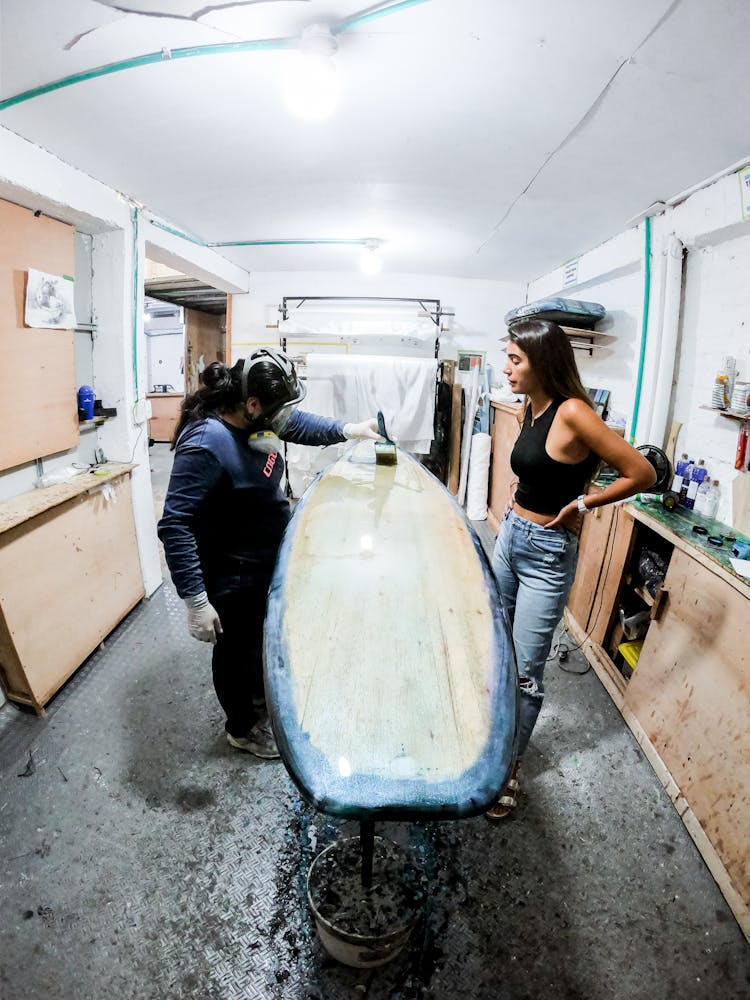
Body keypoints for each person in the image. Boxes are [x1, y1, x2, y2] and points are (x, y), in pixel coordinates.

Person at [157, 349, 381, 760]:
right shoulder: (208, 444)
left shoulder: (255, 418)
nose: (286, 420)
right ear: (252, 404)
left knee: (261, 642)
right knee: (236, 652)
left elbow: (295, 423)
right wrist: (196, 599)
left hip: (263, 561)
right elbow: (175, 524)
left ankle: (261, 699)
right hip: (232, 573)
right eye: (277, 410)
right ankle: (241, 727)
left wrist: (349, 429)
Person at [486, 319, 655, 819]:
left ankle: (509, 767)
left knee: (526, 673)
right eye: (509, 358)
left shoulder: (575, 412)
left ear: (544, 361)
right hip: (511, 538)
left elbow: (641, 472)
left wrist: (584, 503)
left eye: (516, 359)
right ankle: (490, 734)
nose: (508, 367)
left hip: (546, 553)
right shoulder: (527, 408)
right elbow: (534, 469)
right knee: (496, 647)